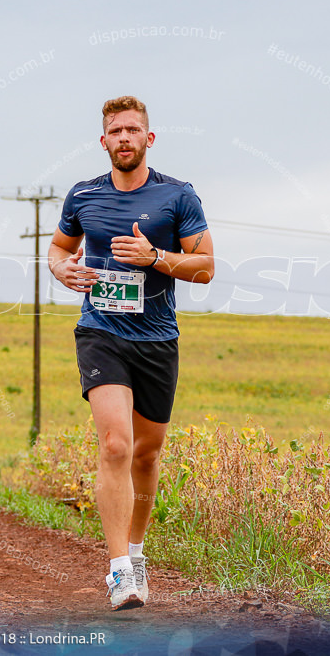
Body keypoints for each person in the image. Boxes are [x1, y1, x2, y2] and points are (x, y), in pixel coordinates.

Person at [48, 96, 214, 611]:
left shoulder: (177, 196)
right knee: (116, 444)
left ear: (149, 138)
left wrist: (157, 257)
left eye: (133, 130)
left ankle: (136, 553)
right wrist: (62, 270)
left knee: (146, 453)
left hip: (157, 339)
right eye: (115, 131)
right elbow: (58, 248)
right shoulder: (83, 196)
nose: (124, 138)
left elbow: (206, 266)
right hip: (101, 330)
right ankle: (120, 572)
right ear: (103, 142)